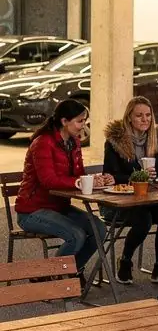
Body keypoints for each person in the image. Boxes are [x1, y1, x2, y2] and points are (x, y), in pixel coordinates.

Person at [15, 97, 113, 282]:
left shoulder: (74, 142)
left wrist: (97, 180)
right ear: (64, 121)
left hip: (59, 207)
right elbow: (48, 180)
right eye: (79, 121)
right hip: (32, 211)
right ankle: (50, 274)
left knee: (99, 229)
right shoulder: (43, 143)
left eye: (84, 120)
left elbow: (78, 175)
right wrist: (79, 182)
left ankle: (70, 270)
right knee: (76, 235)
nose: (83, 125)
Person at [102, 96, 158, 283]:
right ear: (129, 118)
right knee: (144, 220)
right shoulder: (114, 142)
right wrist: (139, 176)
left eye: (148, 115)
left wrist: (156, 171)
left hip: (150, 198)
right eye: (139, 116)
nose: (145, 120)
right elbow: (110, 176)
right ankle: (125, 261)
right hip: (122, 201)